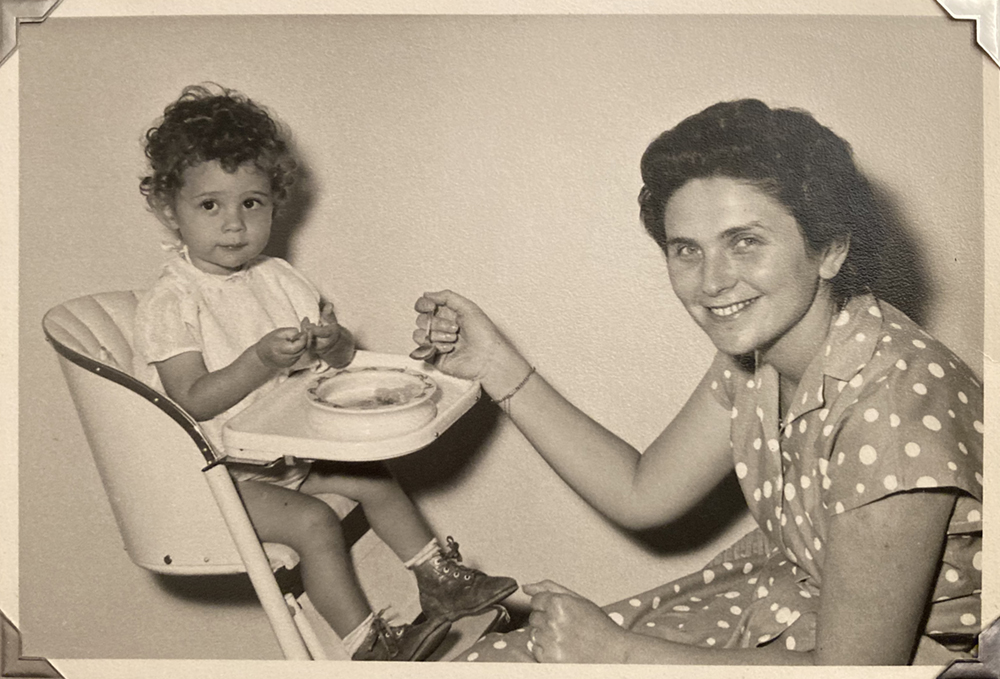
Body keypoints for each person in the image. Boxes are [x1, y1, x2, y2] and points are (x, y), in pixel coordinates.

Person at [410, 99, 983, 665]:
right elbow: (642, 493)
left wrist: (619, 652)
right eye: (687, 250)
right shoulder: (757, 358)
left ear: (830, 249)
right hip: (794, 609)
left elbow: (854, 671)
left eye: (745, 242)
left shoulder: (896, 402)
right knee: (496, 659)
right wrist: (496, 366)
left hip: (913, 664)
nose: (711, 282)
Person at [132, 84, 517, 661]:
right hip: (217, 479)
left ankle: (439, 579)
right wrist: (259, 360)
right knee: (315, 524)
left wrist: (336, 345)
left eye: (251, 203)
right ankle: (369, 647)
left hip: (281, 459)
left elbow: (331, 366)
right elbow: (191, 399)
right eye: (210, 205)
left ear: (274, 202)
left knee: (374, 477)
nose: (234, 225)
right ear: (170, 209)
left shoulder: (279, 279)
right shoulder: (172, 301)